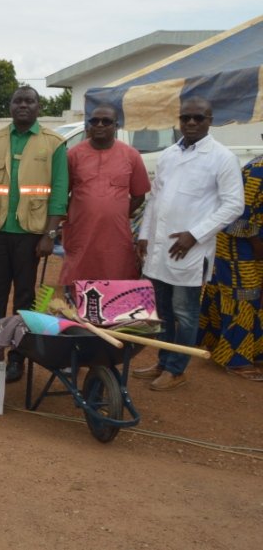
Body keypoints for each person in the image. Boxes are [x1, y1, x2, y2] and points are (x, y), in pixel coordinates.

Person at [134, 97, 244, 390]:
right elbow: (154, 199)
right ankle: (163, 361)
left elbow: (234, 205)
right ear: (179, 121)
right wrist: (144, 233)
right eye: (186, 118)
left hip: (190, 251)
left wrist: (195, 234)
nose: (191, 123)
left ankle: (176, 369)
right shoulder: (169, 154)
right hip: (159, 249)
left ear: (210, 120)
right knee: (163, 312)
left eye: (198, 117)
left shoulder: (222, 157)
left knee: (184, 313)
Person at [0, 87, 68, 382]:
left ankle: (18, 359)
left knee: (25, 297)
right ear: (10, 106)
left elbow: (59, 193)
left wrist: (50, 234)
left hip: (31, 234)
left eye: (29, 101)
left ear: (39, 107)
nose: (23, 105)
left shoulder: (54, 144)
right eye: (17, 101)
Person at [59, 105, 151, 285]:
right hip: (81, 233)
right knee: (77, 283)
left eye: (106, 121)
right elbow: (62, 194)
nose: (99, 125)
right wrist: (78, 214)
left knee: (116, 282)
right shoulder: (73, 155)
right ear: (89, 126)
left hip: (115, 235)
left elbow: (139, 195)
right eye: (94, 121)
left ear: (116, 126)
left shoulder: (131, 155)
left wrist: (117, 214)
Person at [198, 145, 263, 380]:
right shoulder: (257, 171)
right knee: (243, 298)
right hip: (239, 245)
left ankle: (254, 351)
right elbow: (235, 217)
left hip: (255, 247)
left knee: (257, 300)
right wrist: (257, 245)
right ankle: (236, 360)